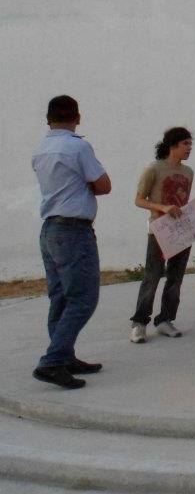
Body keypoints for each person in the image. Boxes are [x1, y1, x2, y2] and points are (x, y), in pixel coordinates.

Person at [32, 95, 111, 389]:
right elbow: (103, 185)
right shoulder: (78, 147)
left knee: (61, 297)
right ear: (77, 117)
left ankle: (64, 355)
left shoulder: (40, 149)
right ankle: (52, 361)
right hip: (74, 230)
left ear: (48, 119)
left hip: (50, 228)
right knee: (83, 298)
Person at [130, 127, 195, 343]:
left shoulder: (188, 172)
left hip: (181, 231)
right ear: (172, 145)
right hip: (159, 230)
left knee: (176, 278)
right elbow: (139, 200)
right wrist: (162, 208)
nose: (189, 149)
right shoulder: (154, 169)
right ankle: (139, 322)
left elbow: (182, 203)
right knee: (152, 276)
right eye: (185, 144)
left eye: (191, 144)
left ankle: (165, 319)